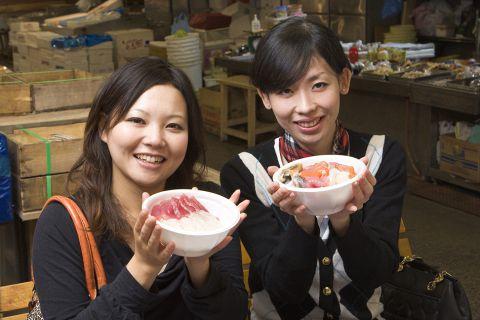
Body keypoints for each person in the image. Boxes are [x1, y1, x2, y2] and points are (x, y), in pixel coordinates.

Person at [32, 57, 249, 320]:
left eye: (174, 126)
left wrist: (199, 260)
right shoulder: (62, 222)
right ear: (103, 127)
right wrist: (144, 267)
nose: (155, 139)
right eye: (137, 120)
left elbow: (235, 315)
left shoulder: (209, 207)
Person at [220, 16, 406, 320]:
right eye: (285, 91)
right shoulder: (246, 172)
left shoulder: (380, 156)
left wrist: (344, 219)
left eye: (318, 85)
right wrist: (302, 222)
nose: (305, 106)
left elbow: (378, 273)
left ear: (343, 81)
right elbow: (282, 289)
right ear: (264, 97)